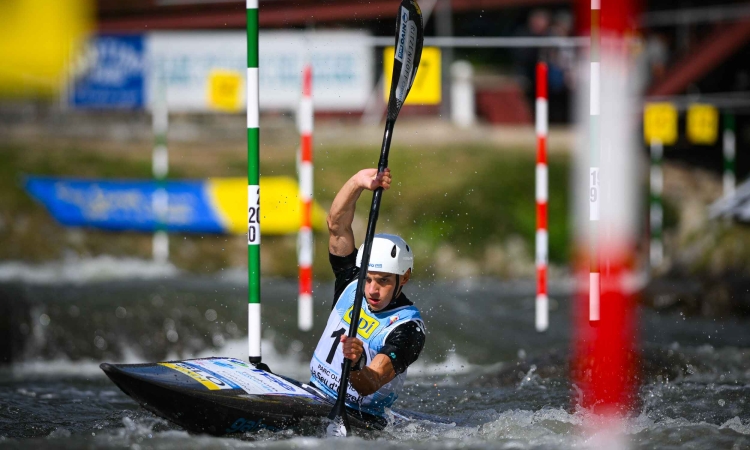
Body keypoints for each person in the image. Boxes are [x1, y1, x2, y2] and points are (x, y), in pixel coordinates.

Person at [309, 168, 426, 417]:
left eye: (383, 281)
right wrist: (357, 182)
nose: (371, 290)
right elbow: (337, 226)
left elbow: (368, 384)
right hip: (313, 394)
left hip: (359, 416)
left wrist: (356, 364)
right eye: (368, 278)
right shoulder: (352, 280)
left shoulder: (408, 329)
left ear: (404, 277)